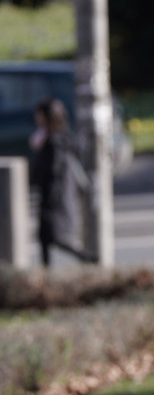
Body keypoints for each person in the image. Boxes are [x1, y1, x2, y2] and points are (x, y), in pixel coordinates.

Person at [30, 97, 94, 267]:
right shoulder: (62, 136)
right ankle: (46, 272)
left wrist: (35, 179)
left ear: (47, 116)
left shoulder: (54, 141)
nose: (37, 118)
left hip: (54, 196)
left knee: (54, 237)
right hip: (58, 194)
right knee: (46, 238)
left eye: (39, 115)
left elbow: (52, 169)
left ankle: (88, 258)